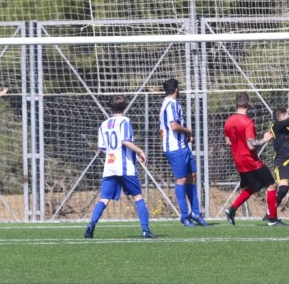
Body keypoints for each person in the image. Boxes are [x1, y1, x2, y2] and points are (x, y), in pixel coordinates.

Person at [84, 95, 154, 238]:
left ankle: (91, 225)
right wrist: (140, 151)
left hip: (109, 166)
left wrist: (112, 152)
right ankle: (146, 230)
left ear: (110, 107)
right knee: (138, 196)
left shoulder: (104, 124)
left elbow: (102, 148)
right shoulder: (125, 121)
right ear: (125, 107)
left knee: (104, 199)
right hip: (125, 166)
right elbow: (125, 141)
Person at [224, 92, 281, 226]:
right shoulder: (247, 122)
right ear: (248, 104)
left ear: (235, 104)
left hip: (238, 161)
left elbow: (228, 142)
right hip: (250, 161)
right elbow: (251, 145)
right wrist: (264, 140)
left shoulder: (228, 121)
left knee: (254, 186)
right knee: (272, 184)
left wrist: (239, 145)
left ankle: (231, 210)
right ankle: (272, 220)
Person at [160, 79, 208, 227]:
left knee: (192, 176)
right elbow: (174, 126)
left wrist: (186, 135)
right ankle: (184, 215)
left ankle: (195, 212)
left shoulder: (170, 104)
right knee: (181, 179)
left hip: (182, 146)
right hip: (175, 148)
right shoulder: (170, 104)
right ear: (176, 89)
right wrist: (187, 130)